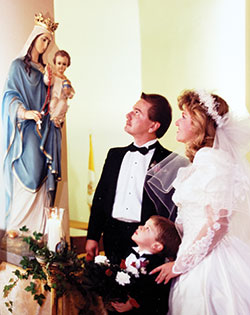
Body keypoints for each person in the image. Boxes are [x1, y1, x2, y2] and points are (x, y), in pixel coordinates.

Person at [148, 89, 250, 314]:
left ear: (199, 124)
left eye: (184, 117)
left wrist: (180, 265)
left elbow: (218, 224)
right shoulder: (202, 163)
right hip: (193, 259)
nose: (177, 122)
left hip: (213, 266)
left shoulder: (215, 163)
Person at [86, 92, 187, 264]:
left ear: (153, 126)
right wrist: (93, 236)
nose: (128, 115)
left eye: (137, 112)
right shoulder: (114, 155)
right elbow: (100, 197)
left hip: (147, 242)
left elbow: (173, 213)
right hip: (112, 236)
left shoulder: (171, 163)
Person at [1, 13, 60, 234]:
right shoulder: (18, 66)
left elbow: (54, 99)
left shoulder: (47, 71)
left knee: (44, 176)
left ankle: (38, 236)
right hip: (27, 131)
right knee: (31, 173)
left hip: (45, 130)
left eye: (48, 41)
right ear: (34, 38)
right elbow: (9, 95)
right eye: (43, 39)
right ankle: (18, 234)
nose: (45, 45)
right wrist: (24, 112)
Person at [110, 215, 181, 314]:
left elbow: (150, 294)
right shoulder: (130, 251)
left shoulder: (156, 267)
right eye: (144, 224)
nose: (140, 227)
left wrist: (131, 303)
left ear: (156, 246)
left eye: (147, 229)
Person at [44, 50, 75, 128]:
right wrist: (48, 74)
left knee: (62, 103)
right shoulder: (53, 76)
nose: (61, 66)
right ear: (55, 63)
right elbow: (47, 82)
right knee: (53, 102)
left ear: (67, 65)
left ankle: (56, 119)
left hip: (61, 101)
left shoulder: (67, 81)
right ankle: (52, 118)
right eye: (59, 63)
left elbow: (71, 93)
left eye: (64, 64)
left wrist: (68, 92)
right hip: (53, 98)